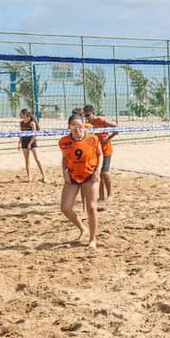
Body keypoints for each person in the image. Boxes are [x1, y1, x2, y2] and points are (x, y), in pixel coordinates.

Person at [59, 113, 102, 249]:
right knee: (65, 208)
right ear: (69, 127)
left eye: (80, 126)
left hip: (90, 175)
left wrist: (98, 170)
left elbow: (100, 154)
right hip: (73, 175)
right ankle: (83, 228)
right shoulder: (64, 141)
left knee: (91, 207)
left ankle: (92, 240)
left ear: (84, 125)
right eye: (74, 126)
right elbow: (65, 158)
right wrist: (64, 172)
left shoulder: (93, 139)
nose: (77, 129)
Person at [83, 105, 118, 206]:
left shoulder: (101, 120)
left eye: (88, 115)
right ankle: (101, 196)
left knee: (105, 173)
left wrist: (108, 138)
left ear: (93, 113)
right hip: (96, 152)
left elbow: (116, 128)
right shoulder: (87, 124)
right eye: (85, 116)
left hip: (106, 150)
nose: (87, 117)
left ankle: (111, 194)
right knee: (98, 173)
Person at [18, 108, 46, 182]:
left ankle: (44, 176)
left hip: (32, 142)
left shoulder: (32, 123)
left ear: (25, 114)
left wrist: (30, 143)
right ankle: (29, 177)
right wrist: (19, 143)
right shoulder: (21, 123)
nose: (19, 115)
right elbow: (21, 134)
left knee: (37, 159)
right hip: (24, 142)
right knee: (27, 160)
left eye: (21, 114)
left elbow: (34, 134)